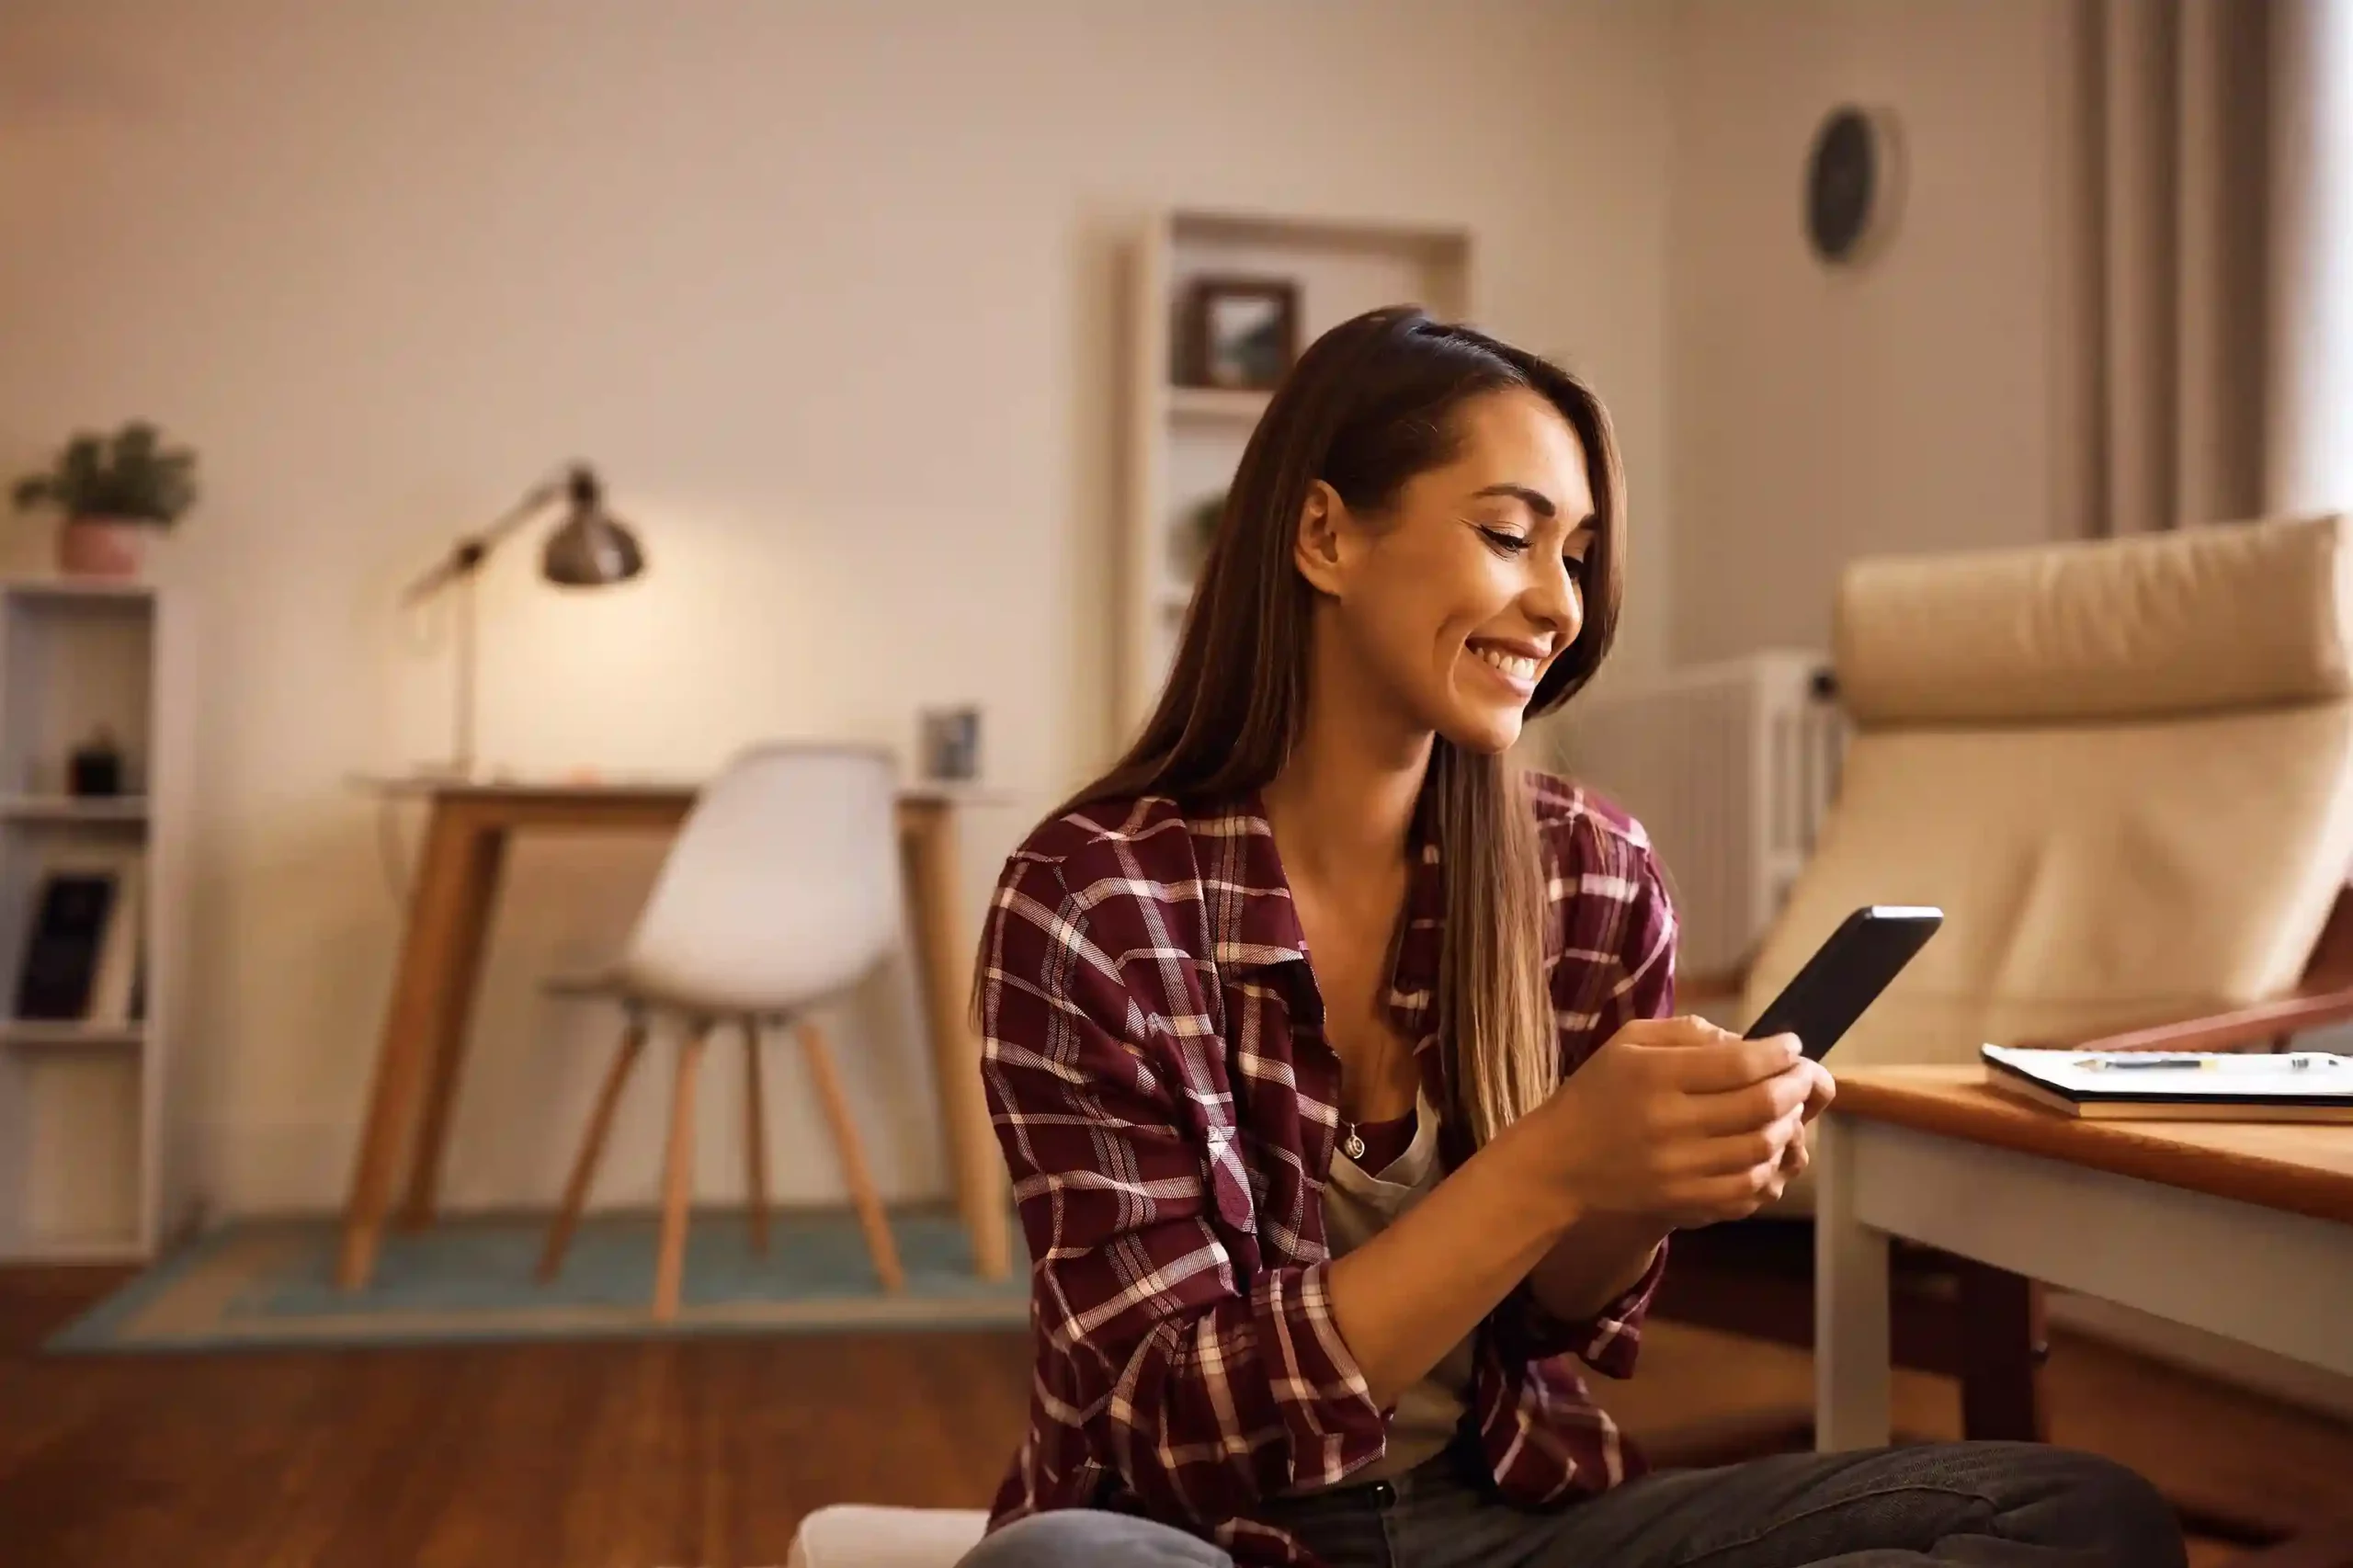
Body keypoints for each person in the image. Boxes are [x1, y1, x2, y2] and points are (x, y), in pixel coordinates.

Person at [957, 307, 2183, 1568]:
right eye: (1508, 535)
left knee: (2078, 1517)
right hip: (1203, 1535)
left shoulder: (1589, 871)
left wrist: (1640, 1187)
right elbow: (1173, 1425)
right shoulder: (1096, 899)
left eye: (1580, 556)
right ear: (1324, 534)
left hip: (1505, 1527)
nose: (1559, 604)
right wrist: (1553, 1163)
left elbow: (1555, 1323)